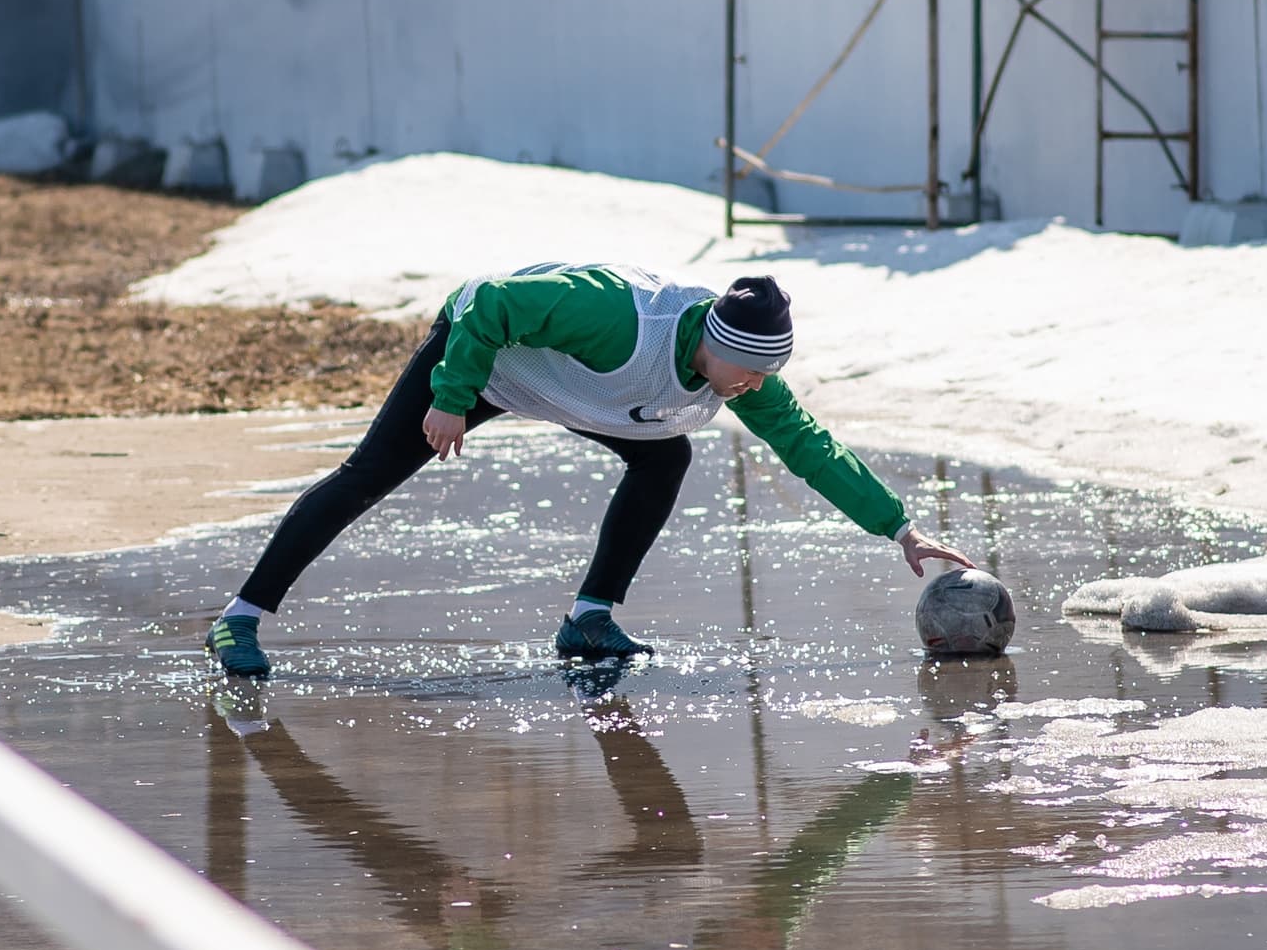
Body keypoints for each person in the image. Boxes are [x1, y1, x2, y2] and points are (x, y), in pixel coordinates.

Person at [204, 261, 971, 676]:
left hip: (587, 394)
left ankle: (589, 620)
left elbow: (813, 449)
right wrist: (450, 396)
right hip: (484, 361)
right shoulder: (617, 314)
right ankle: (239, 620)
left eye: (759, 377)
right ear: (715, 340)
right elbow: (494, 303)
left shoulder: (751, 380)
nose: (748, 389)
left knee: (665, 458)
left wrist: (899, 529)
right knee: (367, 475)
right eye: (741, 371)